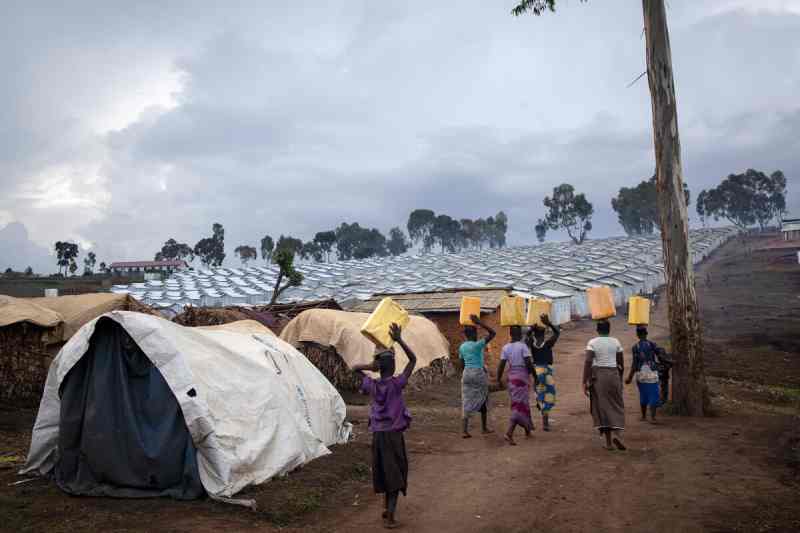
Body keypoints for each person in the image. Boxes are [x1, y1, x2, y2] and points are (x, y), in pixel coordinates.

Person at [353, 323, 417, 529]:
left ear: (378, 366)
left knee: (385, 471)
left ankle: (385, 509)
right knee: (396, 474)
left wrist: (371, 366)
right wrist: (398, 339)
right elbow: (413, 360)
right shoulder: (397, 384)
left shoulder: (372, 385)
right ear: (393, 364)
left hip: (378, 436)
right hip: (393, 436)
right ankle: (390, 515)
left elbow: (354, 369)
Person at [582, 320, 626, 451]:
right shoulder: (616, 342)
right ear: (609, 329)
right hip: (614, 375)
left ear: (597, 329)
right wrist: (620, 379)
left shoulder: (592, 342)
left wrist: (584, 381)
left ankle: (608, 443)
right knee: (617, 405)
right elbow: (621, 364)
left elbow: (588, 361)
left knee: (602, 408)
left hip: (599, 377)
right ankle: (617, 434)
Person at [458, 314, 496, 439]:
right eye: (476, 332)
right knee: (484, 397)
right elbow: (492, 333)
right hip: (478, 373)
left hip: (467, 374)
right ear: (474, 334)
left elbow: (461, 364)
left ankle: (464, 430)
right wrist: (480, 323)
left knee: (466, 400)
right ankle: (484, 428)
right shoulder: (478, 345)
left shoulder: (462, 347)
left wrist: (466, 373)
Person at [496, 325, 535, 445]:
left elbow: (501, 365)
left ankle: (527, 430)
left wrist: (498, 379)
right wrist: (534, 376)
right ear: (519, 335)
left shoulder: (505, 348)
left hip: (512, 377)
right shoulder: (523, 347)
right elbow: (528, 363)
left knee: (520, 402)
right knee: (519, 405)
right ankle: (509, 432)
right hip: (521, 377)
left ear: (510, 334)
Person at [526, 314, 560, 431]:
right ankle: (545, 423)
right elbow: (557, 333)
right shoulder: (548, 343)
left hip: (537, 372)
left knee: (540, 396)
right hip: (547, 372)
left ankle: (543, 417)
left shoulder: (532, 344)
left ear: (534, 334)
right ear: (545, 333)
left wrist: (530, 329)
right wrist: (549, 323)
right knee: (548, 396)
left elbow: (526, 338)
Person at [625, 326, 662, 423]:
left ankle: (644, 416)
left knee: (643, 394)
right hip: (652, 373)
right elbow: (661, 355)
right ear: (646, 333)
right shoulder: (652, 345)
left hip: (640, 375)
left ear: (637, 335)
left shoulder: (635, 347)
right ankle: (653, 418)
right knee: (653, 394)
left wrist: (629, 377)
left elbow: (634, 364)